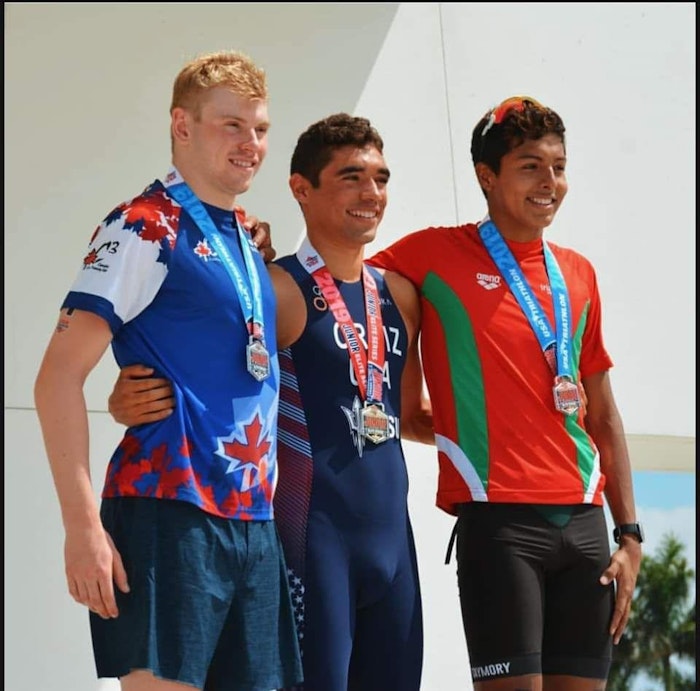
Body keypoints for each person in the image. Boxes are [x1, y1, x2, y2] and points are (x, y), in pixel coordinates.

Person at [108, 113, 434, 691]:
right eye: (352, 177)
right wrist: (126, 397)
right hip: (312, 542)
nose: (372, 193)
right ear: (301, 189)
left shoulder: (401, 295)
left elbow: (410, 415)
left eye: (381, 178)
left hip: (393, 549)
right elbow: (201, 380)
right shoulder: (273, 290)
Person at [33, 50, 303, 691]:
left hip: (253, 520)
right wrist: (82, 529)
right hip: (167, 513)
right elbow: (57, 378)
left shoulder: (246, 237)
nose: (251, 144)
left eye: (260, 128)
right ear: (183, 125)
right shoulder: (141, 226)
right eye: (231, 125)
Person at [367, 96, 643, 689]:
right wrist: (258, 246)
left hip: (586, 522)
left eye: (559, 167)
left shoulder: (578, 272)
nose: (550, 183)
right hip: (500, 522)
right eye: (530, 166)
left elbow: (603, 414)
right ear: (487, 177)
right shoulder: (433, 253)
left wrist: (630, 533)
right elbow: (333, 277)